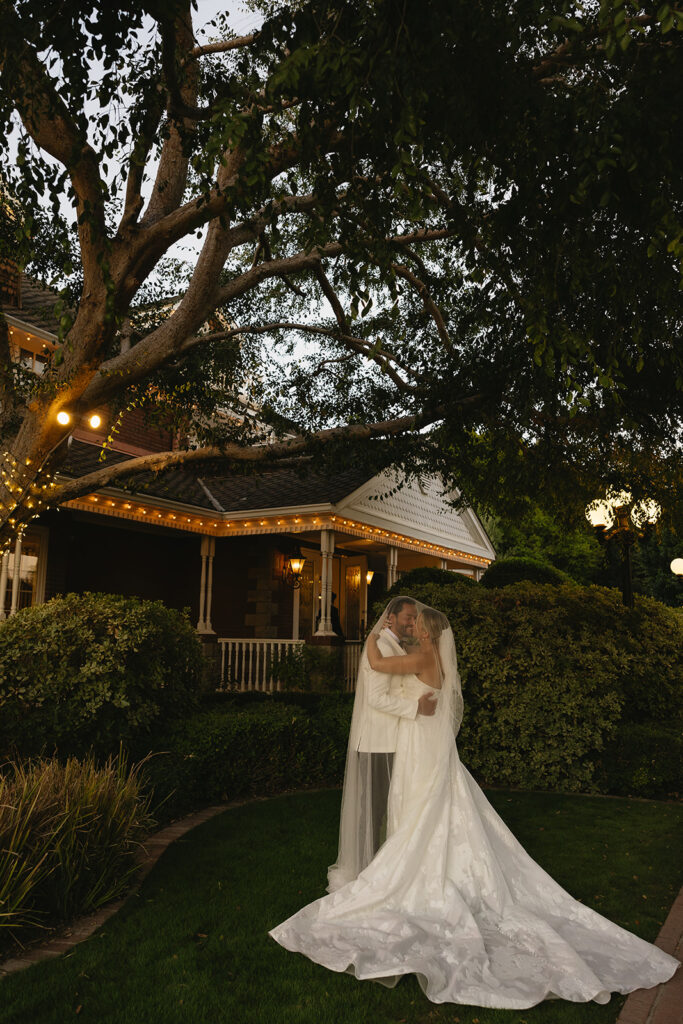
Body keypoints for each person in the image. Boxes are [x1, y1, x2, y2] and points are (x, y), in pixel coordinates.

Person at [269, 597, 680, 1008]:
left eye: (418, 624)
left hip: (421, 741)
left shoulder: (422, 656)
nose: (412, 627)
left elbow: (377, 666)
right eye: (408, 621)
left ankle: (415, 867)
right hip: (426, 739)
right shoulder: (427, 655)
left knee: (422, 802)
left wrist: (372, 641)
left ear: (428, 632)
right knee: (434, 800)